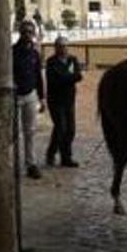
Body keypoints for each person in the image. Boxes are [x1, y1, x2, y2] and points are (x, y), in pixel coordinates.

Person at [12, 20, 46, 179]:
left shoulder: (34, 54)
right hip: (15, 96)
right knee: (12, 132)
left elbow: (38, 76)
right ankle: (11, 162)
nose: (28, 35)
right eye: (25, 32)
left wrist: (42, 97)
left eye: (30, 32)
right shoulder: (12, 52)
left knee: (30, 131)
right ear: (20, 33)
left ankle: (30, 163)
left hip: (31, 94)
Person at [45, 35, 83, 167]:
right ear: (56, 48)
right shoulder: (51, 62)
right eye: (60, 46)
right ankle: (52, 153)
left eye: (65, 46)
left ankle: (66, 157)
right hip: (55, 100)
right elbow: (55, 80)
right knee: (61, 127)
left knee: (71, 129)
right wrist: (69, 77)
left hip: (69, 100)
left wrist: (65, 76)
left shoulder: (72, 59)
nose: (63, 49)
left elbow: (78, 76)